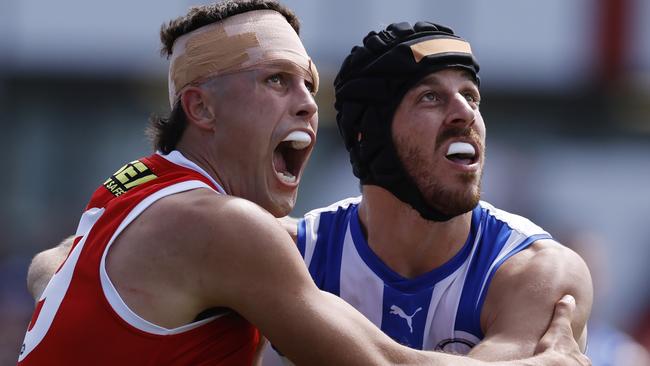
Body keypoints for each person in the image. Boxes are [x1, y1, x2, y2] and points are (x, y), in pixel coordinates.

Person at [21, 1, 590, 365]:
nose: (306, 105)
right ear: (201, 108)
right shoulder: (237, 230)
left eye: (309, 86)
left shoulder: (133, 189)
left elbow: (49, 266)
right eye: (276, 81)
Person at [264, 21, 593, 363]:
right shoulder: (287, 253)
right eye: (431, 97)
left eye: (470, 96)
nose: (465, 113)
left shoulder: (536, 270)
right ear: (371, 135)